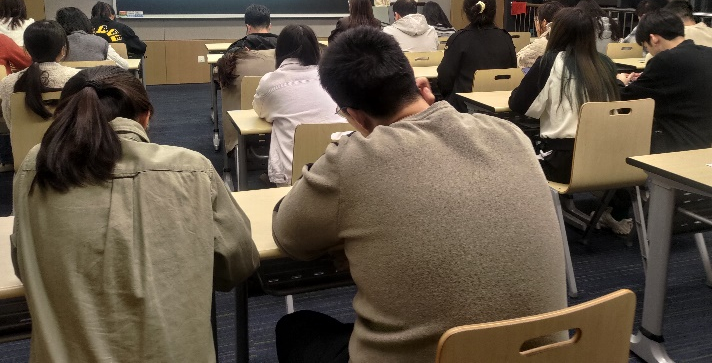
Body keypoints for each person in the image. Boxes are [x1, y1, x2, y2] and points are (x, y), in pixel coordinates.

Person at [272, 26, 567, 363]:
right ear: (420, 85)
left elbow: (289, 236)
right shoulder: (510, 135)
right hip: (542, 355)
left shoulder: (353, 160)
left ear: (355, 116)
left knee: (296, 328)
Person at [11, 66, 259, 363]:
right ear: (146, 117)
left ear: (65, 116)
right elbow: (237, 264)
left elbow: (24, 264)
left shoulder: (34, 169)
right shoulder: (192, 169)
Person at [508, 8, 626, 233]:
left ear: (557, 32)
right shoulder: (606, 64)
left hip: (565, 166)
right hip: (608, 162)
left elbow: (519, 105)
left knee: (512, 159)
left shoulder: (550, 62)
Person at [253, 24, 344, 186]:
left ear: (280, 50)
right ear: (316, 49)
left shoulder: (271, 82)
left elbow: (259, 110)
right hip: (337, 169)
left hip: (293, 177)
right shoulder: (334, 77)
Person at [617, 9, 712, 154]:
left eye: (646, 46)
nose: (649, 51)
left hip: (676, 144)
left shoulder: (665, 60)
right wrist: (647, 77)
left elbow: (625, 100)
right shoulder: (707, 53)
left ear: (654, 39)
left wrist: (620, 82)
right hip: (705, 142)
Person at [437, 0, 516, 111]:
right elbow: (512, 71)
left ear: (466, 10)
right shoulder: (505, 38)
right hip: (498, 109)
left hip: (463, 108)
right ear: (494, 10)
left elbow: (444, 79)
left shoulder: (459, 39)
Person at [0, 20, 79, 132]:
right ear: (63, 50)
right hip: (67, 142)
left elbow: (11, 124)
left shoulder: (7, 83)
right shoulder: (77, 78)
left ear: (27, 51)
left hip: (24, 143)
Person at [56, 7, 129, 68]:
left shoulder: (56, 44)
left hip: (67, 81)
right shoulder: (100, 42)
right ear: (85, 22)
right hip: (97, 80)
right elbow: (124, 65)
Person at [517, 1, 563, 68]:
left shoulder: (541, 44)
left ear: (544, 23)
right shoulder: (568, 41)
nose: (536, 24)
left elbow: (519, 61)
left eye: (537, 19)